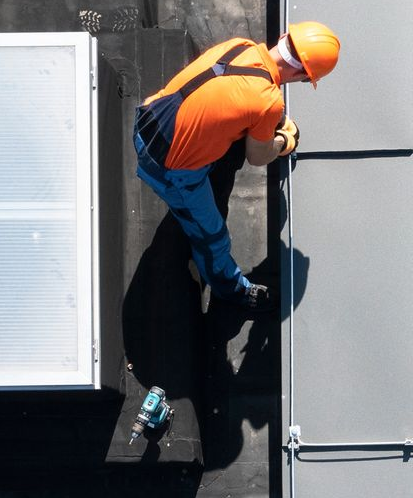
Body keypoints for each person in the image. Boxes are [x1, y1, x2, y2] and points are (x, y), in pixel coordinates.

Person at [133, 22, 341, 310]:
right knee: (212, 236)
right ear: (302, 74)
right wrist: (283, 140)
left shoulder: (240, 46)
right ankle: (232, 290)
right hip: (167, 167)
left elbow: (224, 98)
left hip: (149, 120)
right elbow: (258, 156)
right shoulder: (268, 102)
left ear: (283, 38)